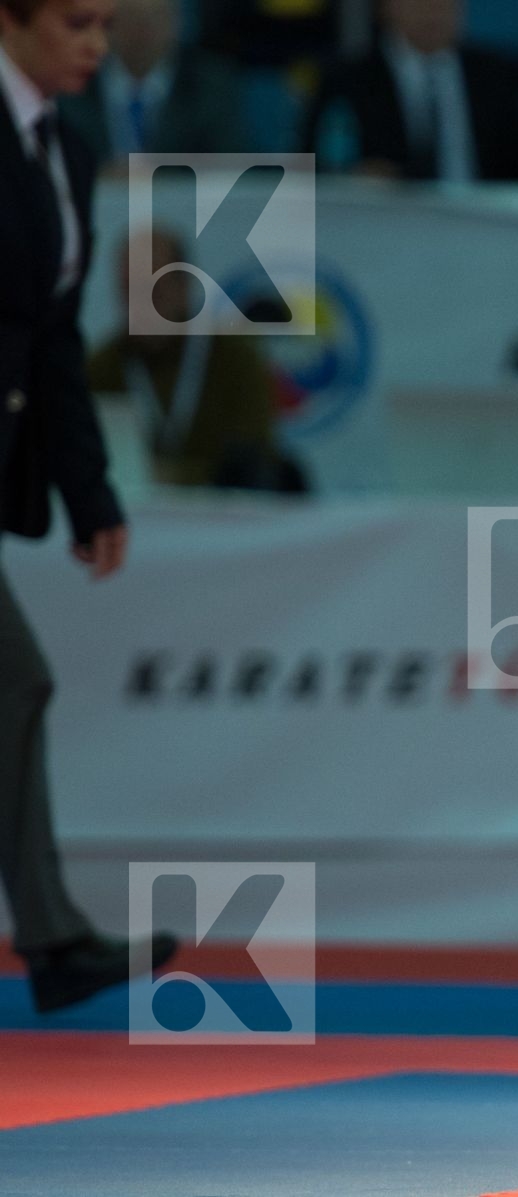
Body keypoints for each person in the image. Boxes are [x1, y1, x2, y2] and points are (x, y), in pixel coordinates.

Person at [0, 0, 177, 1013]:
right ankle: (56, 937)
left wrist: (90, 490)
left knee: (12, 687)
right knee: (12, 682)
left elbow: (54, 341)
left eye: (106, 25)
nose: (97, 47)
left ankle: (57, 938)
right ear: (12, 19)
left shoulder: (63, 147)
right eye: (75, 22)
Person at [87, 228, 286, 490]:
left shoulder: (236, 360)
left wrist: (177, 476)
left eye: (153, 291)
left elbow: (255, 456)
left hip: (225, 519)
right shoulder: (101, 368)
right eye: (129, 291)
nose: (140, 304)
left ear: (183, 286)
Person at [302, 0, 518, 182]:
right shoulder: (347, 81)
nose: (434, 9)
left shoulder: (493, 76)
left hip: (484, 227)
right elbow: (312, 169)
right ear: (387, 6)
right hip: (386, 228)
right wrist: (353, 178)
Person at [58, 0, 245, 169]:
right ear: (109, 24)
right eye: (132, 18)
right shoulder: (73, 81)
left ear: (177, 22)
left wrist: (158, 178)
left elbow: (229, 166)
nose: (144, 29)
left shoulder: (211, 85)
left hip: (181, 203)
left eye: (156, 17)